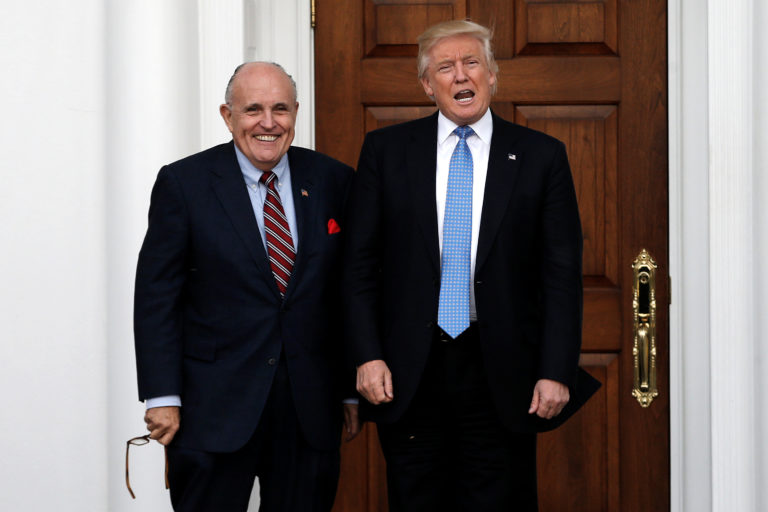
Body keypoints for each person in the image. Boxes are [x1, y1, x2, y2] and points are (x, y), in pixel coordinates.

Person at [343, 20, 600, 511]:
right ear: (427, 85)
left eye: (471, 62)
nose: (461, 75)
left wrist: (556, 369)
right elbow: (358, 266)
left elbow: (561, 275)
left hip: (502, 371)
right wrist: (366, 354)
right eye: (445, 67)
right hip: (408, 372)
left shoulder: (541, 157)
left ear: (492, 75)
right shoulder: (387, 152)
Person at [134, 61, 359, 512]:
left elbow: (347, 290)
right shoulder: (184, 183)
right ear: (227, 115)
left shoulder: (334, 180)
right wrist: (162, 395)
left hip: (308, 410)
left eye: (280, 108)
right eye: (253, 109)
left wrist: (349, 387)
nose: (268, 123)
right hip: (211, 409)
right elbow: (157, 296)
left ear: (296, 112)